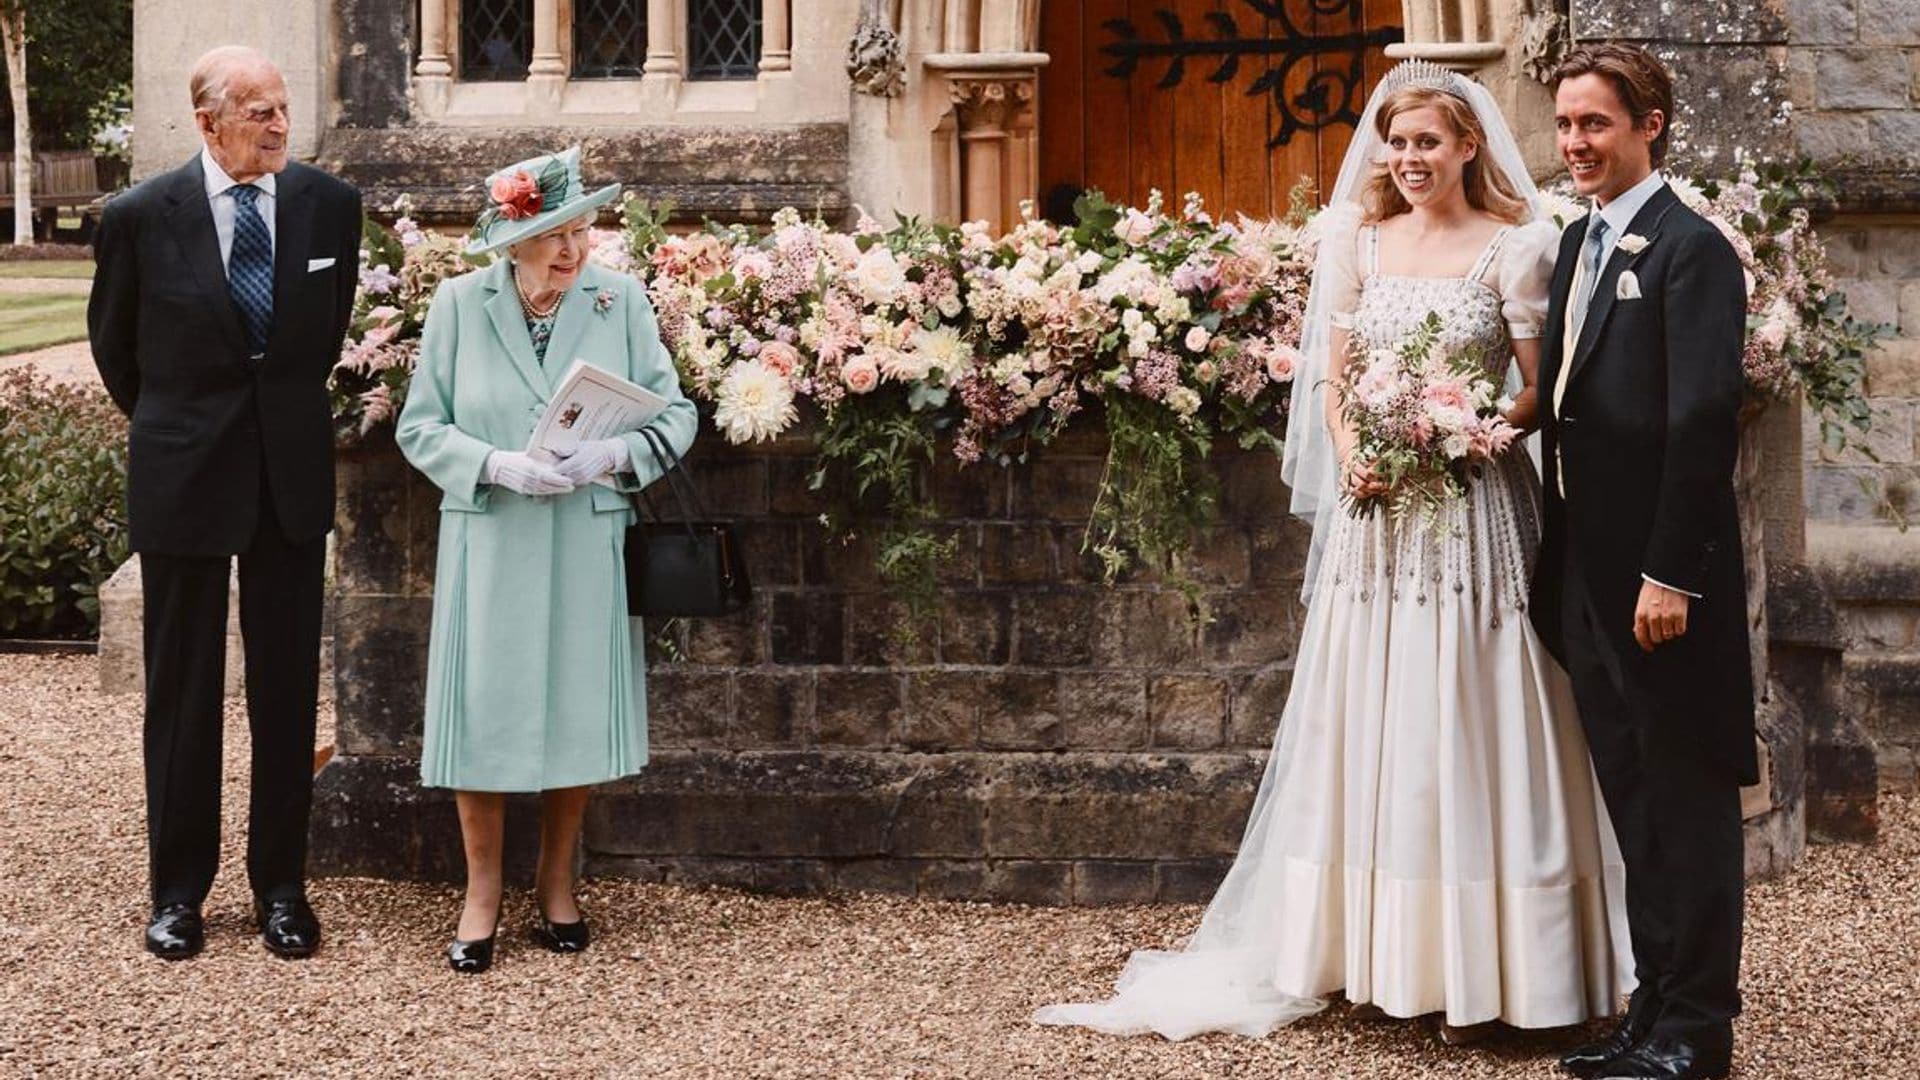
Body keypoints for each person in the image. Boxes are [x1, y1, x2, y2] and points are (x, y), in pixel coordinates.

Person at [1035, 60, 1630, 1042]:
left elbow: (1538, 388)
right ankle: (1370, 953)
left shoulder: (1517, 249)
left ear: (1468, 146)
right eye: (1396, 144)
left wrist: (1466, 431)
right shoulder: (1360, 240)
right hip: (1375, 519)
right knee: (1376, 709)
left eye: (1428, 143)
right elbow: (1331, 379)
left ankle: (1505, 965)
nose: (1408, 160)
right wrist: (1359, 453)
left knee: (1475, 709)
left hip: (1470, 511)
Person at [87, 45, 362, 961]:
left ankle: (282, 886)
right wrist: (186, 429)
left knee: (286, 692)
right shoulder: (137, 218)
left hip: (288, 480)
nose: (281, 126)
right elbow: (116, 352)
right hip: (183, 475)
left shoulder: (332, 207)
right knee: (183, 691)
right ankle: (177, 894)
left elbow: (318, 342)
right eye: (259, 112)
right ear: (208, 123)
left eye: (283, 109)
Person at [395, 146, 697, 975]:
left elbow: (675, 418)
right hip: (490, 529)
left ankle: (557, 882)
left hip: (583, 529)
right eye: (553, 233)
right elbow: (419, 427)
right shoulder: (459, 304)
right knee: (481, 710)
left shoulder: (620, 300)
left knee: (572, 706)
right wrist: (493, 465)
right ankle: (481, 890)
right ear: (511, 239)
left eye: (581, 228)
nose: (573, 249)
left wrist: (614, 458)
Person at [1532, 45, 1753, 1080]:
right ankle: (1649, 1011)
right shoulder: (1580, 242)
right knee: (1634, 801)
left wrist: (1672, 573)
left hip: (1663, 587)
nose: (1575, 143)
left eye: (1595, 125)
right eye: (1567, 124)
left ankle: (1697, 1034)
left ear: (1650, 123)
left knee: (1687, 800)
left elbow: (1705, 420)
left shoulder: (1691, 248)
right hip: (1588, 573)